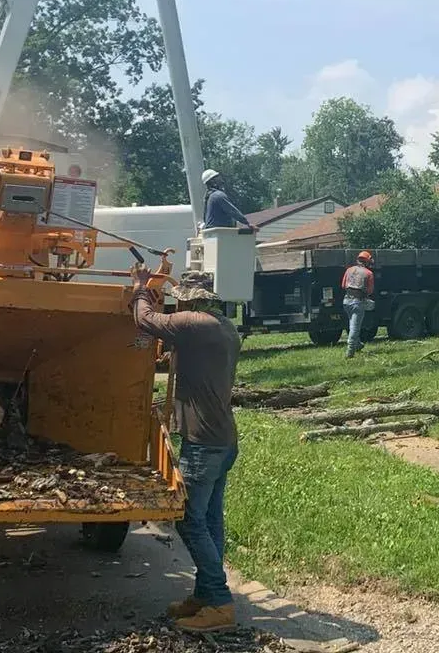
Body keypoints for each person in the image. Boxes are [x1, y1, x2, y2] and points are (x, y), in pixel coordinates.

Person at [133, 276, 242, 634]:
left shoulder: (193, 323)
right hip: (223, 439)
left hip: (204, 442)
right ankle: (205, 594)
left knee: (189, 520)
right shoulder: (225, 327)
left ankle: (220, 603)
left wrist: (140, 289)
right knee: (210, 521)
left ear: (188, 302)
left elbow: (146, 321)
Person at [340, 250, 376, 358]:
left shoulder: (349, 270)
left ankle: (358, 345)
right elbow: (370, 291)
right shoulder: (369, 273)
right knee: (355, 327)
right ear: (367, 262)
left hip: (346, 301)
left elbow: (343, 285)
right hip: (358, 302)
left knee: (352, 323)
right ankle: (350, 351)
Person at [201, 168, 257, 233]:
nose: (221, 179)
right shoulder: (218, 195)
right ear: (213, 181)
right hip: (221, 233)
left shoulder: (208, 197)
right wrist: (248, 223)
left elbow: (205, 218)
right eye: (217, 177)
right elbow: (232, 211)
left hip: (212, 233)